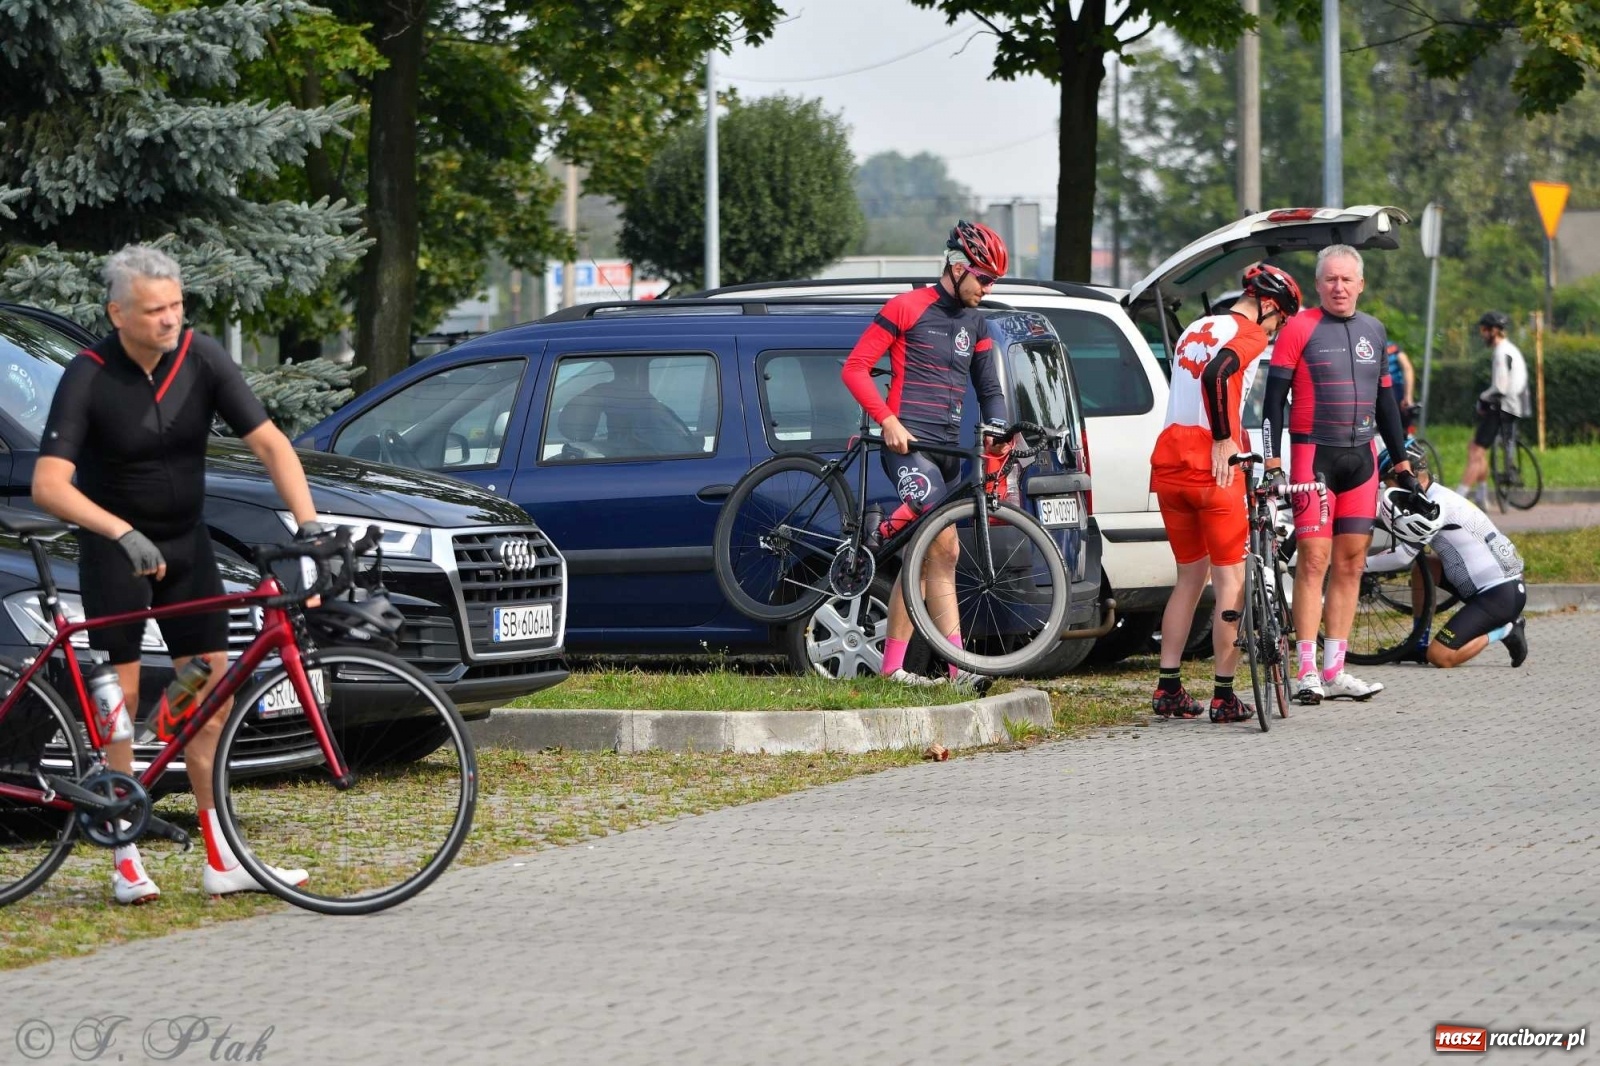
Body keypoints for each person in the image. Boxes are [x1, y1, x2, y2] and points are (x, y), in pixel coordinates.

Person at [32, 245, 326, 904]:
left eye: (176, 306)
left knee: (206, 702)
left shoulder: (202, 358)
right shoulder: (89, 375)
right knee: (122, 700)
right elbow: (49, 485)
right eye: (153, 310)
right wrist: (119, 531)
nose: (169, 319)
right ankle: (124, 856)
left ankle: (222, 857)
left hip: (187, 551)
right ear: (118, 313)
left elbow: (271, 444)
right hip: (118, 553)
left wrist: (308, 527)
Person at [841, 220, 1010, 690]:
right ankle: (960, 670)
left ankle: (892, 669)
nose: (988, 288)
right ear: (957, 267)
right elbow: (854, 369)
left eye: (994, 281)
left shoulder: (977, 322)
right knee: (946, 545)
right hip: (907, 447)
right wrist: (886, 420)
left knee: (929, 556)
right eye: (984, 278)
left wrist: (998, 430)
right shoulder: (906, 307)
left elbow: (990, 389)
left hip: (947, 451)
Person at [1259, 245, 1417, 705]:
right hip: (1314, 456)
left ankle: (1334, 670)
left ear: (1361, 284)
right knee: (1313, 562)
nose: (1339, 287)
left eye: (1347, 279)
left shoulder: (1374, 330)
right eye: (1331, 279)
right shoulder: (1298, 328)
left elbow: (1386, 403)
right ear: (1318, 284)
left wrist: (1401, 464)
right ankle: (1306, 671)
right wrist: (1273, 462)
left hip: (1361, 460)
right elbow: (1273, 401)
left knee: (1351, 564)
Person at [1149, 264, 1302, 723]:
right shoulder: (1248, 332)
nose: (1275, 332)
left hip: (1169, 464)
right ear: (1268, 305)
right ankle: (1223, 695)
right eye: (1280, 321)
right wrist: (1222, 437)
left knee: (1189, 579)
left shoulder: (1195, 328)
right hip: (1213, 470)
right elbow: (1217, 374)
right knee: (1229, 581)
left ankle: (1168, 689)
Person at [1369, 443, 1528, 668]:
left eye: (1388, 483)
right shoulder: (1431, 495)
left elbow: (1402, 556)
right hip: (1487, 583)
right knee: (1423, 569)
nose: (1387, 491)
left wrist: (1357, 566)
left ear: (1405, 477)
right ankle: (1418, 642)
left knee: (1440, 656)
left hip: (1499, 593)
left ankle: (1506, 629)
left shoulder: (1435, 505)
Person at [1458, 310, 1528, 509]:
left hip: (1502, 407)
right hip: (1512, 406)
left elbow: (1500, 387)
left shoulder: (1500, 353)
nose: (1482, 334)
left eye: (1484, 330)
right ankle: (1481, 496)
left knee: (1475, 452)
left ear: (1494, 331)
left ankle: (1458, 499)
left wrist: (1482, 398)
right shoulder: (1511, 349)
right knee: (1478, 447)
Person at [1385, 340, 1417, 427]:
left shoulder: (1391, 347)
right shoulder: (1392, 346)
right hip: (1394, 389)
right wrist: (1408, 397)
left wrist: (1408, 397)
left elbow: (1407, 368)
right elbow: (1407, 368)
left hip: (1391, 389)